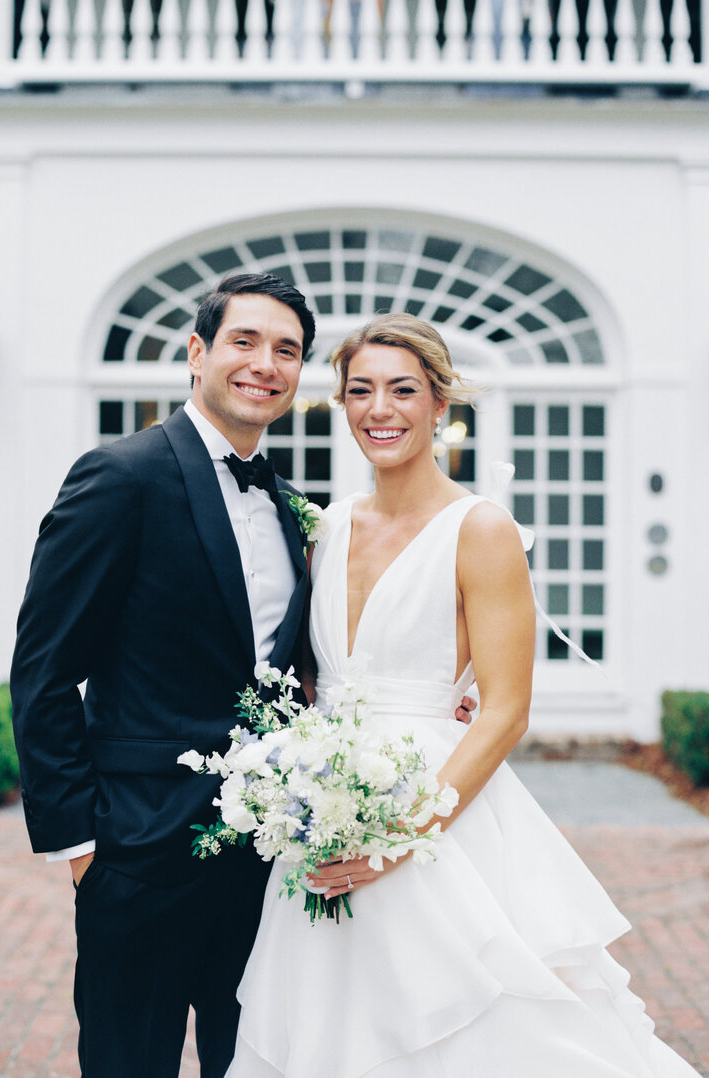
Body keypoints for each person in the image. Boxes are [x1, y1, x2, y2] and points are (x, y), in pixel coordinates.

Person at [226, 312, 701, 1077]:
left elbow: (508, 711)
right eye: (361, 391)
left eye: (403, 390)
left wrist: (395, 838)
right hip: (325, 820)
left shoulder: (481, 529)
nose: (380, 409)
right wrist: (296, 789)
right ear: (342, 405)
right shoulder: (326, 525)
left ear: (441, 403)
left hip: (435, 819)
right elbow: (313, 677)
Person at [10, 273, 316, 1078]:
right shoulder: (120, 476)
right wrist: (81, 847)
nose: (265, 364)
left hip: (262, 862)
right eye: (245, 341)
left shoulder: (290, 507)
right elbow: (43, 670)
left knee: (247, 1062)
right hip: (136, 853)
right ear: (196, 353)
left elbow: (291, 671)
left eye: (287, 351)